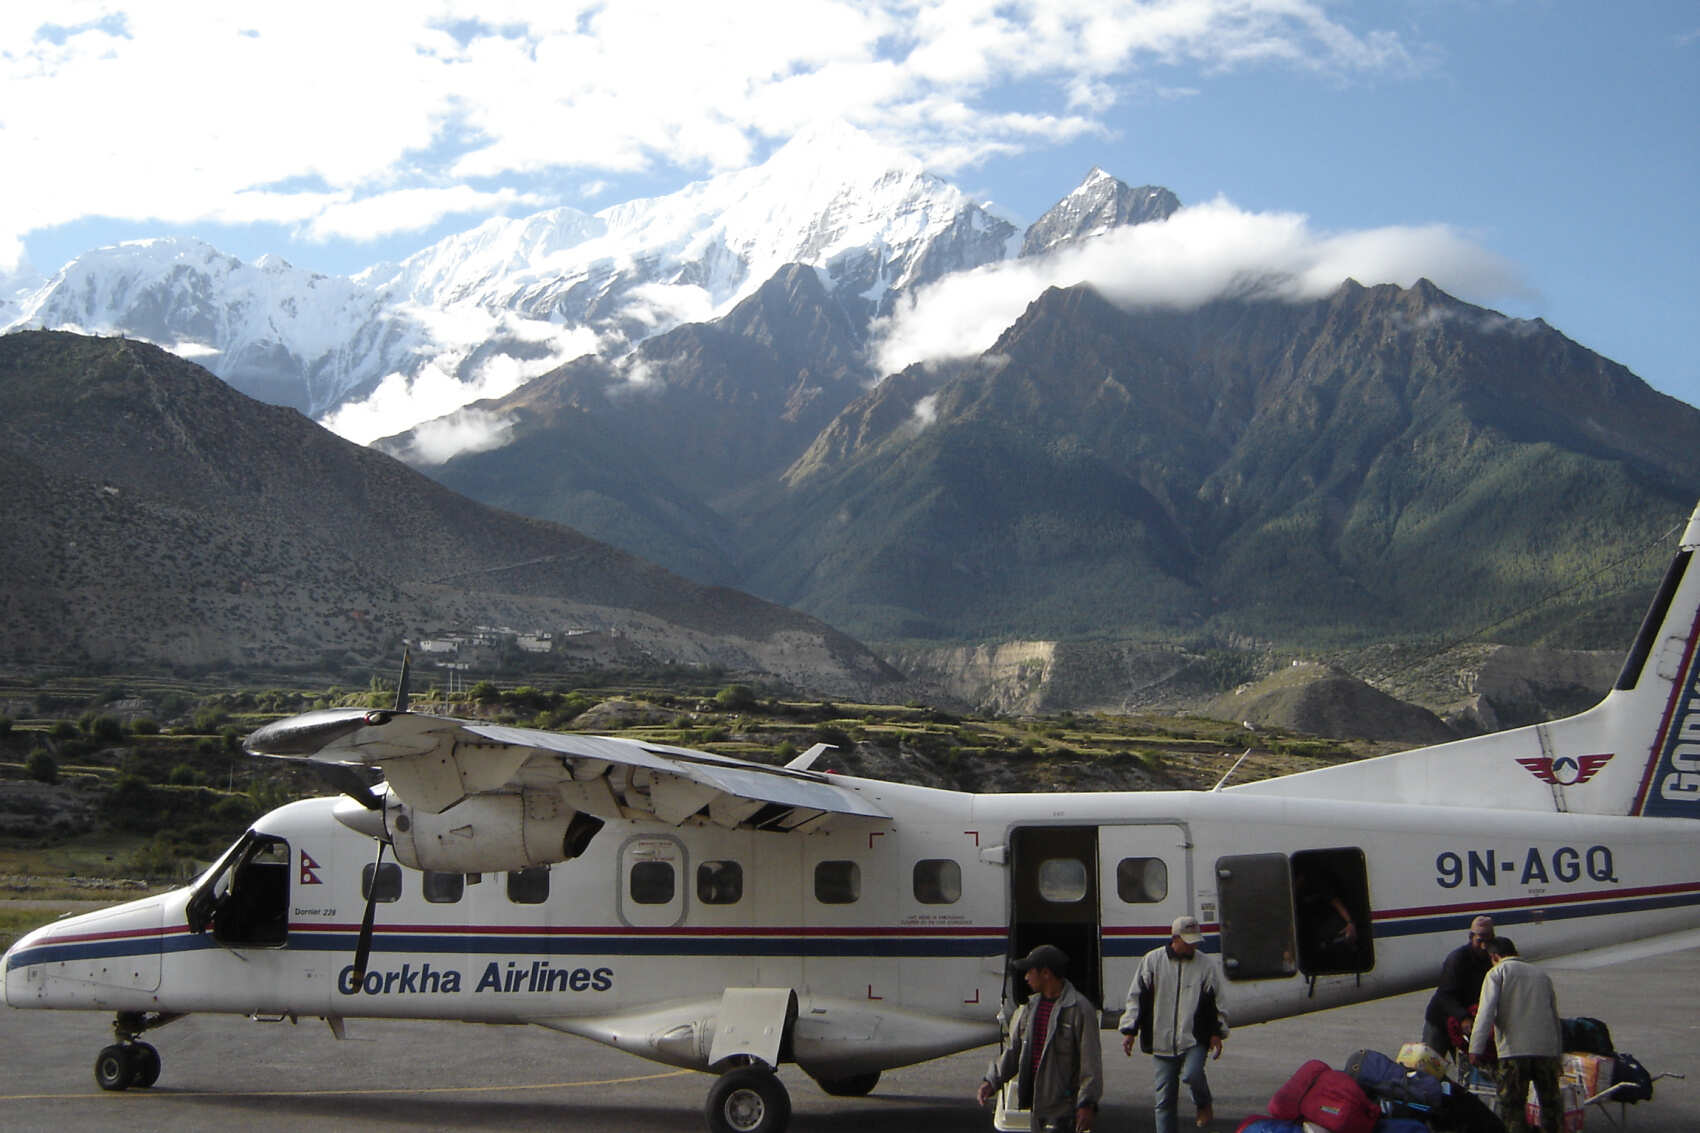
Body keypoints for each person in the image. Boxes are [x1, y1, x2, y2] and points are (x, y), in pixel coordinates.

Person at [1119, 915, 1229, 1132]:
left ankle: (1203, 1102)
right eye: (1188, 940)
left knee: (1192, 1074)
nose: (1193, 945)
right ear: (1175, 938)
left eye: (1195, 941)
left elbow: (1217, 1001)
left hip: (1194, 1036)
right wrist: (1130, 1030)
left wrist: (1217, 1032)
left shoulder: (1205, 965)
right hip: (1162, 1039)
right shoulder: (1152, 961)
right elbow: (1136, 996)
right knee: (1164, 1101)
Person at [977, 944, 1101, 1132]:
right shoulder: (1029, 1009)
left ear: (1045, 973)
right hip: (1037, 1108)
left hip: (1065, 1110)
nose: (1026, 977)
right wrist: (991, 1081)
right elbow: (1013, 1050)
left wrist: (1087, 1104)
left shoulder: (1080, 1010)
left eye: (1030, 972)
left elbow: (1090, 1063)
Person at [1468, 937, 1563, 1133]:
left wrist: (1475, 1048)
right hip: (1545, 1051)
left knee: (1513, 1110)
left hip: (1513, 1052)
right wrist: (1558, 1053)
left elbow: (1485, 1014)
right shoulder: (1541, 975)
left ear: (1494, 956)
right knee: (1551, 1108)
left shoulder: (1497, 973)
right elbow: (1554, 1017)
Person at [1421, 914, 1495, 1054]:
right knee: (1430, 1065)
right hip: (1442, 1018)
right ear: (1471, 937)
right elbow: (1445, 995)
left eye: (1488, 941)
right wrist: (1463, 1017)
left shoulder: (1493, 959)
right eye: (1479, 941)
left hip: (1471, 1020)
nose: (1484, 946)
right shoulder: (1457, 959)